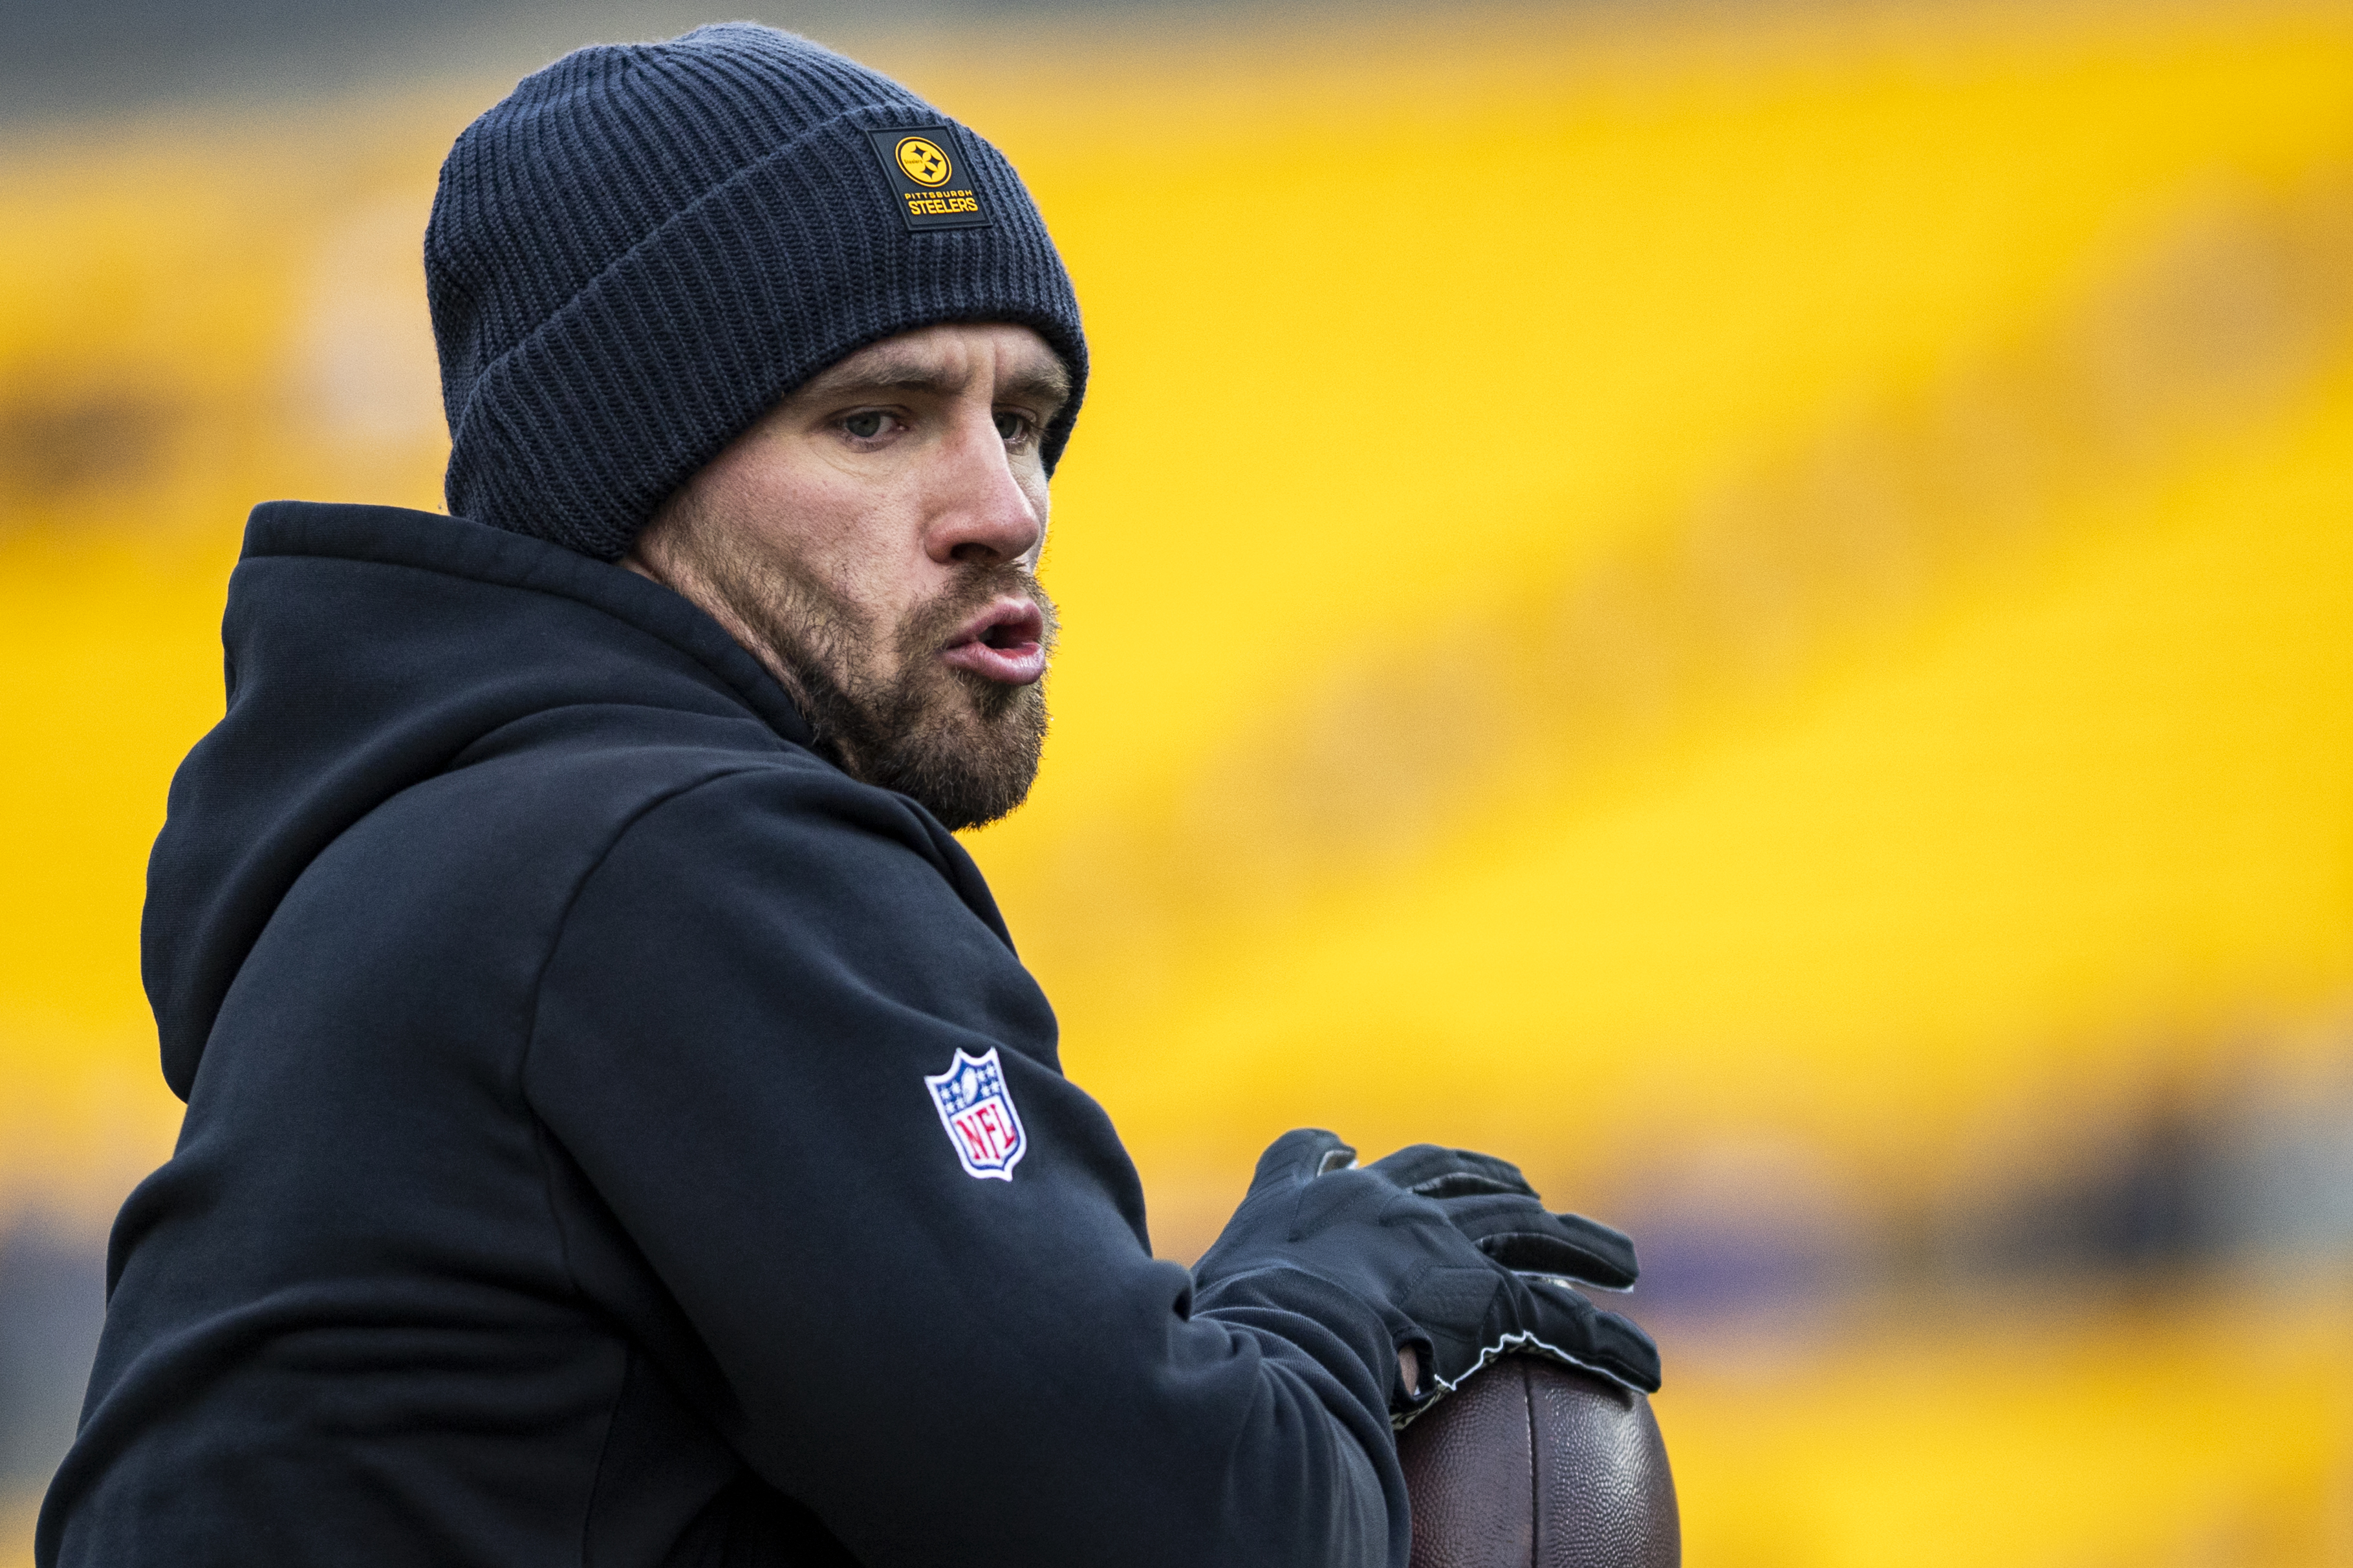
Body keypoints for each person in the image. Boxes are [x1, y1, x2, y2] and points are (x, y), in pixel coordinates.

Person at [37, 25, 1659, 1568]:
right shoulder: (677, 856)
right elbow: (1186, 1538)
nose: (1002, 507)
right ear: (624, 475)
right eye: (874, 421)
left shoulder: (484, 854)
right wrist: (1326, 1297)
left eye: (1024, 422)